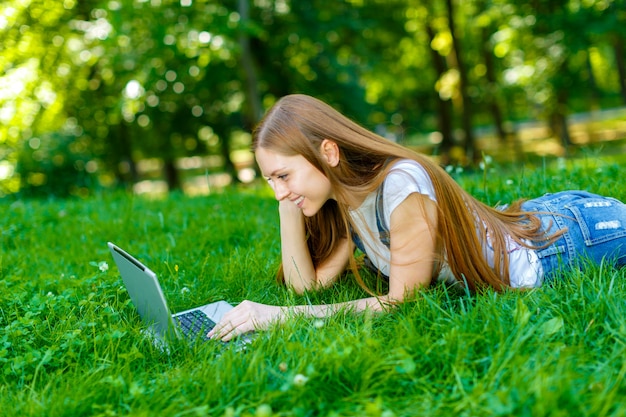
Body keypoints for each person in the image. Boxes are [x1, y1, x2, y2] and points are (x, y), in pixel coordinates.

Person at [208, 94, 626, 342]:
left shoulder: (400, 185)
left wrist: (275, 317)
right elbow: (305, 285)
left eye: (283, 176)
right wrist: (289, 197)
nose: (278, 191)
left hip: (568, 241)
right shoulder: (343, 199)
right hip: (535, 218)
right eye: (269, 180)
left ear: (329, 153)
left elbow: (401, 300)